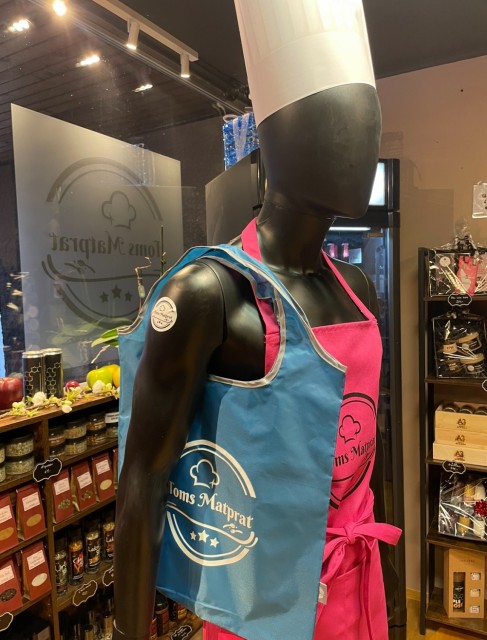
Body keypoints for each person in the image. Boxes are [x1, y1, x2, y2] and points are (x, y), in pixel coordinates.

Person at [113, 2, 401, 639]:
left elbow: (362, 458)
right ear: (275, 142)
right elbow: (142, 485)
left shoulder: (356, 288)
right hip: (262, 608)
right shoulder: (209, 293)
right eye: (334, 121)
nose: (358, 146)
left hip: (357, 589)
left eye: (369, 126)